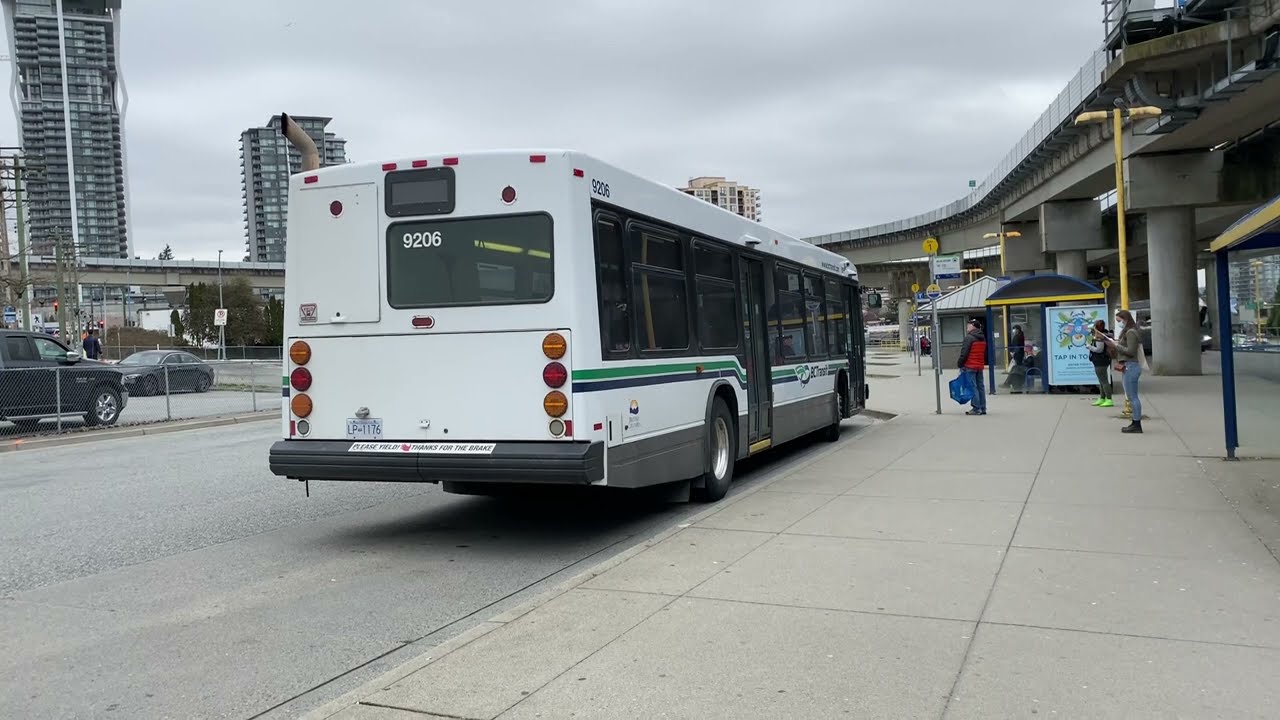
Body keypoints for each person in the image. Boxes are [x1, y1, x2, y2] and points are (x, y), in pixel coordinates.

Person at [1100, 309, 1144, 433]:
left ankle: (1136, 423)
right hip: (1128, 366)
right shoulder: (1130, 331)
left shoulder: (1131, 332)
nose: (1119, 323)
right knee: (1131, 396)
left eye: (1120, 321)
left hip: (1131, 366)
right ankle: (1135, 422)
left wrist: (1116, 345)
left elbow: (1130, 351)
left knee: (1132, 396)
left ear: (1126, 319)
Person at [958, 317, 987, 415]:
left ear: (973, 326)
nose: (967, 327)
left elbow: (964, 353)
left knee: (973, 387)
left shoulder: (969, 338)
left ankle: (976, 408)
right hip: (979, 365)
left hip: (970, 365)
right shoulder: (982, 337)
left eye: (969, 325)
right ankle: (983, 407)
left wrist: (960, 363)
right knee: (980, 386)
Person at [1087, 319, 1114, 408]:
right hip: (1102, 360)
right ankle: (1102, 398)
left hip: (1100, 360)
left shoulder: (1099, 337)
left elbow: (1099, 349)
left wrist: (1089, 347)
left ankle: (1109, 399)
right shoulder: (1102, 335)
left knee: (1104, 381)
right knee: (1101, 380)